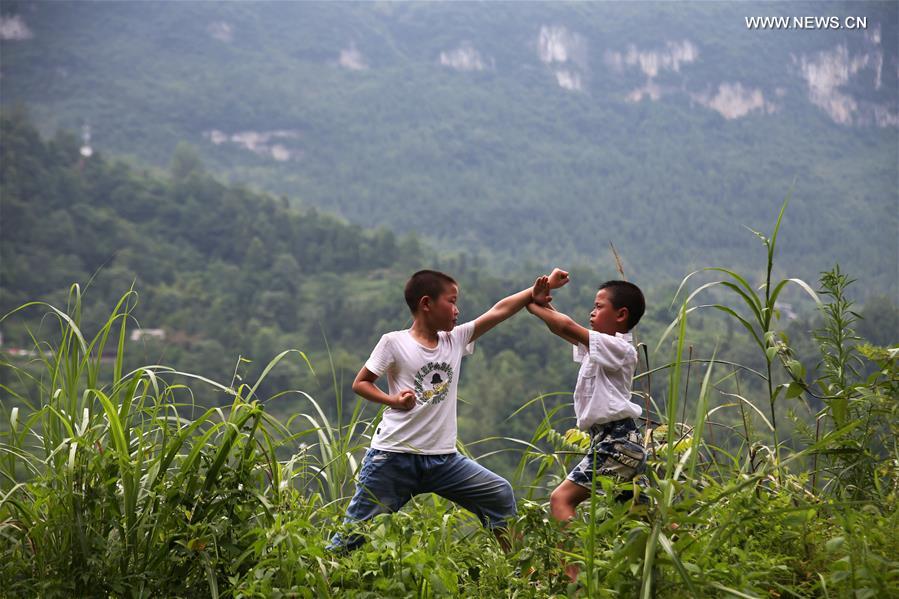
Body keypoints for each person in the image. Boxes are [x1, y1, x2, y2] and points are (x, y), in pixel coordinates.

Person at [328, 268, 566, 552]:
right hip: (393, 457)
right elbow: (361, 383)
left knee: (498, 494)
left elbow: (499, 311)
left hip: (443, 460)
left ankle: (523, 575)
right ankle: (321, 579)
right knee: (354, 534)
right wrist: (393, 401)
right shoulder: (394, 342)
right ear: (426, 304)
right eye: (451, 301)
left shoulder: (455, 340)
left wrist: (538, 290)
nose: (457, 310)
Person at [526, 275, 647, 580]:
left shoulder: (620, 350)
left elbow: (567, 326)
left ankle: (575, 582)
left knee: (560, 499)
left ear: (621, 315)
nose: (591, 313)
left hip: (617, 441)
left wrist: (533, 305)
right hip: (612, 441)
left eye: (598, 306)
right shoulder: (599, 348)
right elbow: (562, 329)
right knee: (643, 517)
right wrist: (542, 306)